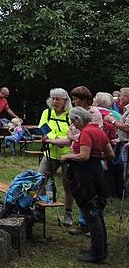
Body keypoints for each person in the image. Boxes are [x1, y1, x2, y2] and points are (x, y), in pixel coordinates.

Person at [61, 107, 114, 264]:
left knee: (91, 212)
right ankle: (100, 246)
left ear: (78, 119)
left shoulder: (86, 132)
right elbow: (111, 154)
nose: (73, 124)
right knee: (97, 211)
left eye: (73, 121)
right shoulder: (99, 131)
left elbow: (83, 156)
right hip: (98, 173)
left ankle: (98, 253)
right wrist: (96, 156)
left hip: (86, 176)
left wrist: (67, 156)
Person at [37, 87, 75, 226]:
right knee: (40, 180)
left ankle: (68, 212)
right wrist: (57, 138)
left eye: (58, 99)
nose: (55, 101)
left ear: (66, 101)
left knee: (68, 184)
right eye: (53, 98)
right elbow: (43, 129)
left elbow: (73, 134)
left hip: (68, 155)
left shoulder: (71, 114)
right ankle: (38, 209)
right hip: (50, 153)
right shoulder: (47, 113)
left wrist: (55, 138)